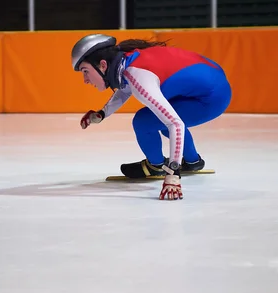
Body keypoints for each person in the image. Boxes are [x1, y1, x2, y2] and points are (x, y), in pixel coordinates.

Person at [71, 33, 232, 201]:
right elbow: (125, 88)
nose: (85, 80)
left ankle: (156, 166)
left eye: (85, 71)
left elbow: (175, 124)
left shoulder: (137, 76)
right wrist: (102, 113)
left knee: (145, 121)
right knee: (157, 118)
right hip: (214, 84)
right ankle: (193, 161)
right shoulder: (127, 60)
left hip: (210, 98)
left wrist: (173, 175)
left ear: (103, 65)